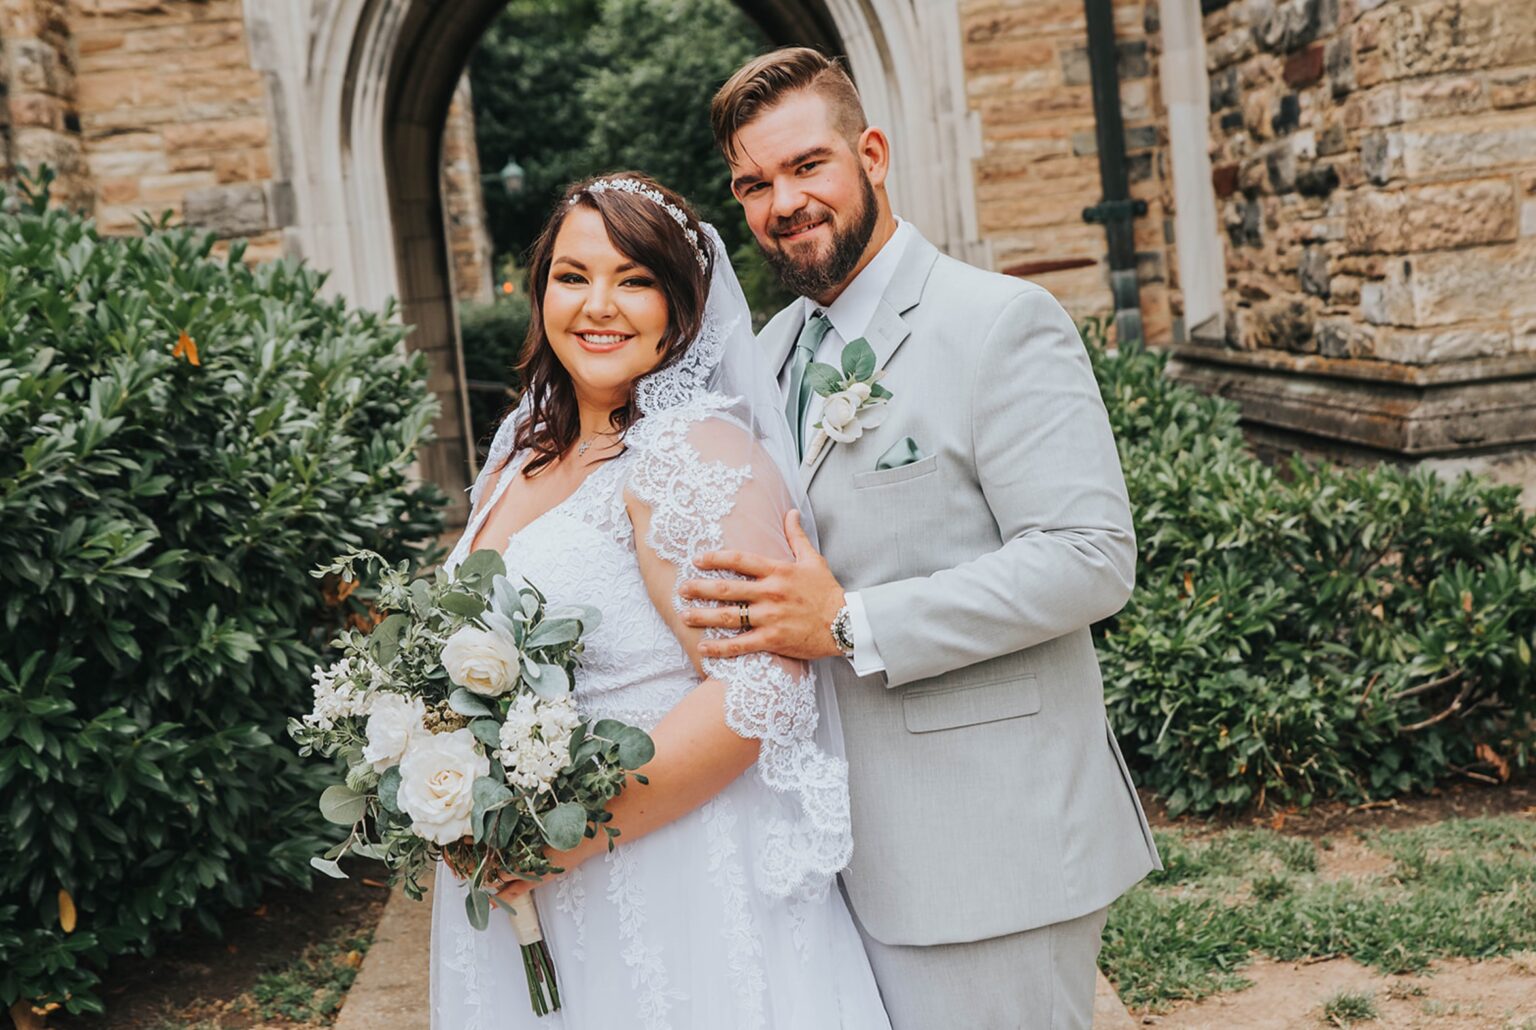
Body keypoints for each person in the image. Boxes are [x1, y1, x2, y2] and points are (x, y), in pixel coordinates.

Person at [677, 48, 1162, 1029]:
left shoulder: (997, 323)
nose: (784, 202)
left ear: (872, 154)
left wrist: (851, 623)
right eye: (754, 184)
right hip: (844, 850)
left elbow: (1088, 557)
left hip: (995, 851)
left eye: (807, 166)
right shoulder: (771, 356)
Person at [429, 172, 890, 1029]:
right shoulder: (522, 448)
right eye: (572, 276)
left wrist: (556, 837)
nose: (598, 305)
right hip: (525, 892)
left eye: (634, 279)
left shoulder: (691, 452)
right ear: (540, 294)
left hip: (666, 879)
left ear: (681, 307)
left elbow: (758, 692)